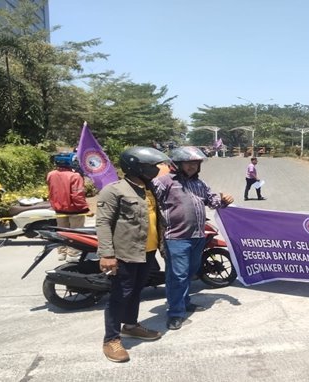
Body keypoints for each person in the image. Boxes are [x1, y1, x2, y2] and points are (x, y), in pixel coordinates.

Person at [97, 146, 171, 363]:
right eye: (151, 166)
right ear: (135, 167)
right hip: (124, 253)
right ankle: (111, 339)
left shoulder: (150, 189)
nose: (156, 170)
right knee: (120, 295)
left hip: (147, 252)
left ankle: (130, 326)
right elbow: (103, 223)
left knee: (136, 291)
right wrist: (107, 254)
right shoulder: (114, 190)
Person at [152, 146, 234, 330]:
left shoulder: (200, 184)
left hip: (198, 236)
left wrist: (225, 200)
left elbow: (214, 202)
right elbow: (149, 201)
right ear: (178, 164)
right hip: (176, 238)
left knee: (190, 273)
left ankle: (184, 301)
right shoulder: (164, 182)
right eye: (188, 163)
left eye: (196, 163)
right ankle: (175, 313)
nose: (192, 167)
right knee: (178, 275)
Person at [47, 154, 90, 261]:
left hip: (59, 209)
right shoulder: (75, 176)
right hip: (75, 210)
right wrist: (85, 208)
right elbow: (77, 195)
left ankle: (61, 253)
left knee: (61, 231)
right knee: (76, 232)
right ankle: (73, 254)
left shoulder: (51, 174)